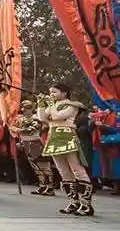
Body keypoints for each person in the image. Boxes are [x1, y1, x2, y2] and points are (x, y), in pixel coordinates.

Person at [37, 84, 91, 216]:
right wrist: (41, 105)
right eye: (50, 92)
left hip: (68, 138)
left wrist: (49, 104)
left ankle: (86, 205)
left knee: (77, 170)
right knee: (63, 171)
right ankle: (73, 202)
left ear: (65, 93)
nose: (51, 94)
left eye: (54, 92)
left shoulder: (72, 105)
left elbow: (57, 116)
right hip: (54, 138)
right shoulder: (53, 105)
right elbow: (42, 118)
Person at [10, 100, 55, 196]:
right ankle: (42, 185)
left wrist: (18, 130)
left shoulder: (36, 118)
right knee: (35, 166)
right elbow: (12, 127)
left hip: (36, 143)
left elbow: (30, 130)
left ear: (31, 109)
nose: (24, 111)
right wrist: (17, 130)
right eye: (23, 109)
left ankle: (50, 187)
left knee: (44, 166)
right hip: (26, 143)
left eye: (27, 109)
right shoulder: (21, 119)